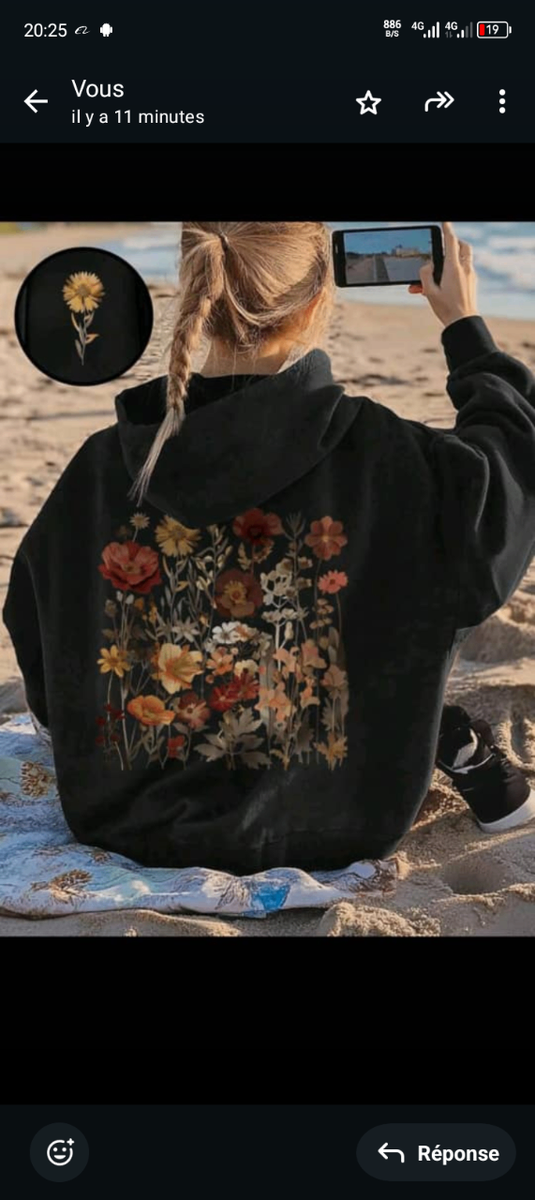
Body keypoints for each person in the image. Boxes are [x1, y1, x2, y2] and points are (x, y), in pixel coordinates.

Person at [3, 221, 535, 874]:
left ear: (194, 287)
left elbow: (35, 631)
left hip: (126, 819)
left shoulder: (102, 468)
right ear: (318, 302)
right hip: (340, 822)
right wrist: (465, 330)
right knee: (411, 561)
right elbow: (509, 484)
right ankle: (444, 734)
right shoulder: (392, 458)